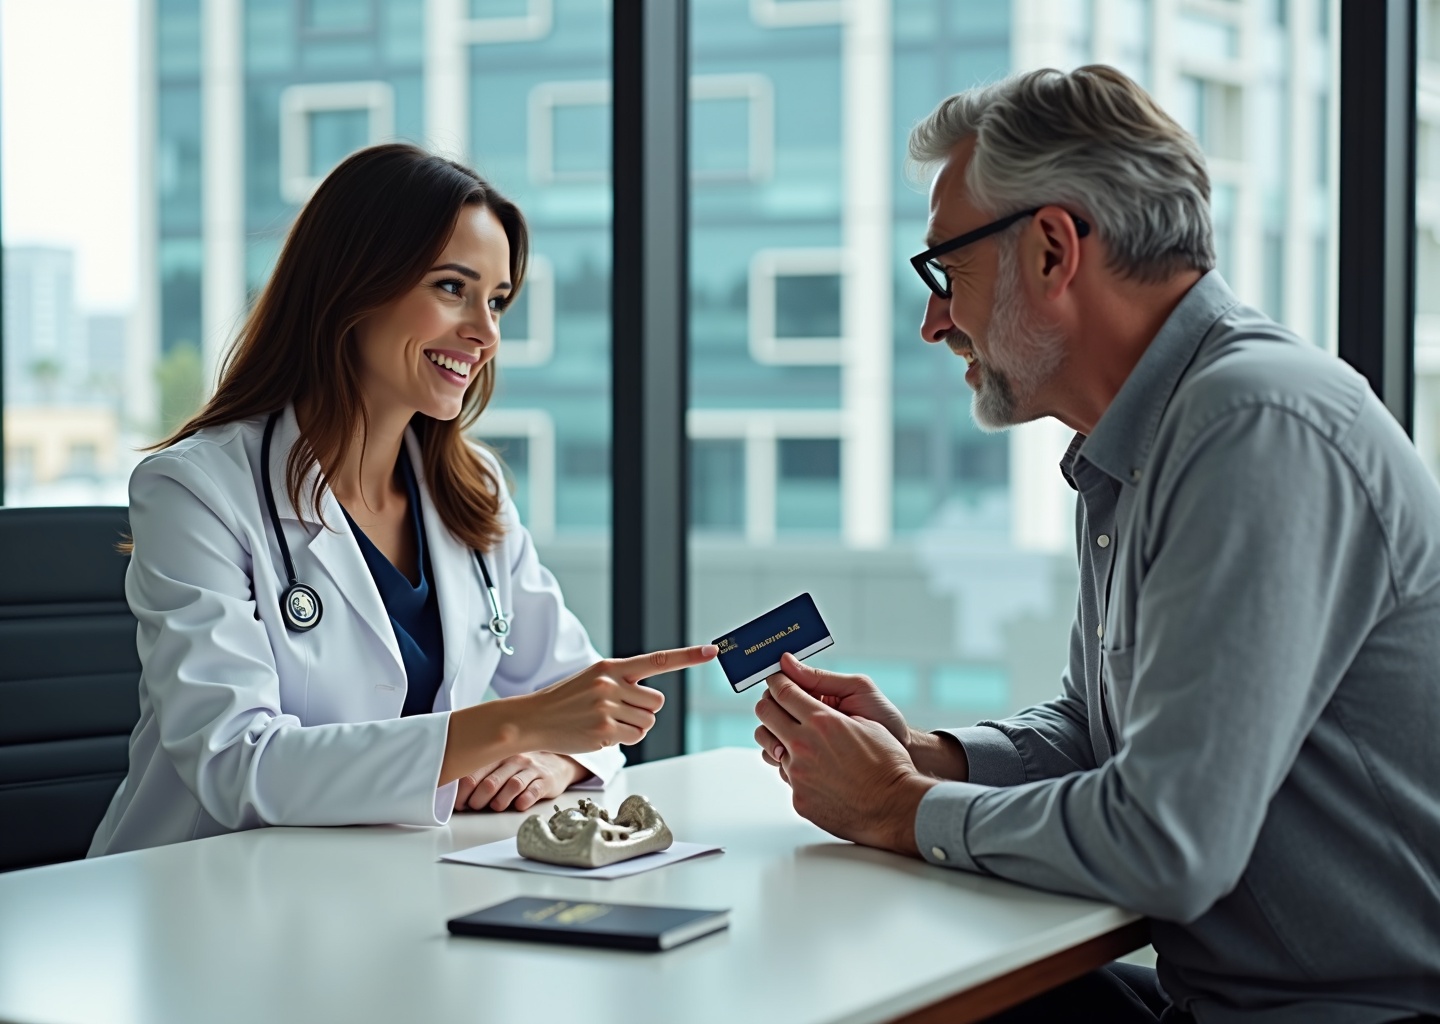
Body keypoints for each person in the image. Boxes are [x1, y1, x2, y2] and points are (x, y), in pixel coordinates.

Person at [753, 66, 1440, 1022]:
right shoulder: (1135, 443)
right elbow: (1096, 732)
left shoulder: (1257, 425)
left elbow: (1168, 839)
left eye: (946, 272)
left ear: (1049, 249)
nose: (932, 321)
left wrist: (897, 809)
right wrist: (926, 754)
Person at [90, 144, 715, 857]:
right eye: (453, 288)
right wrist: (514, 728)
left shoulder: (470, 490)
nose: (485, 333)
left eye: (498, 300)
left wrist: (556, 758)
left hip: (387, 885)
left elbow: (574, 697)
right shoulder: (197, 491)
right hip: (205, 892)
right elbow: (238, 764)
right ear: (353, 286)